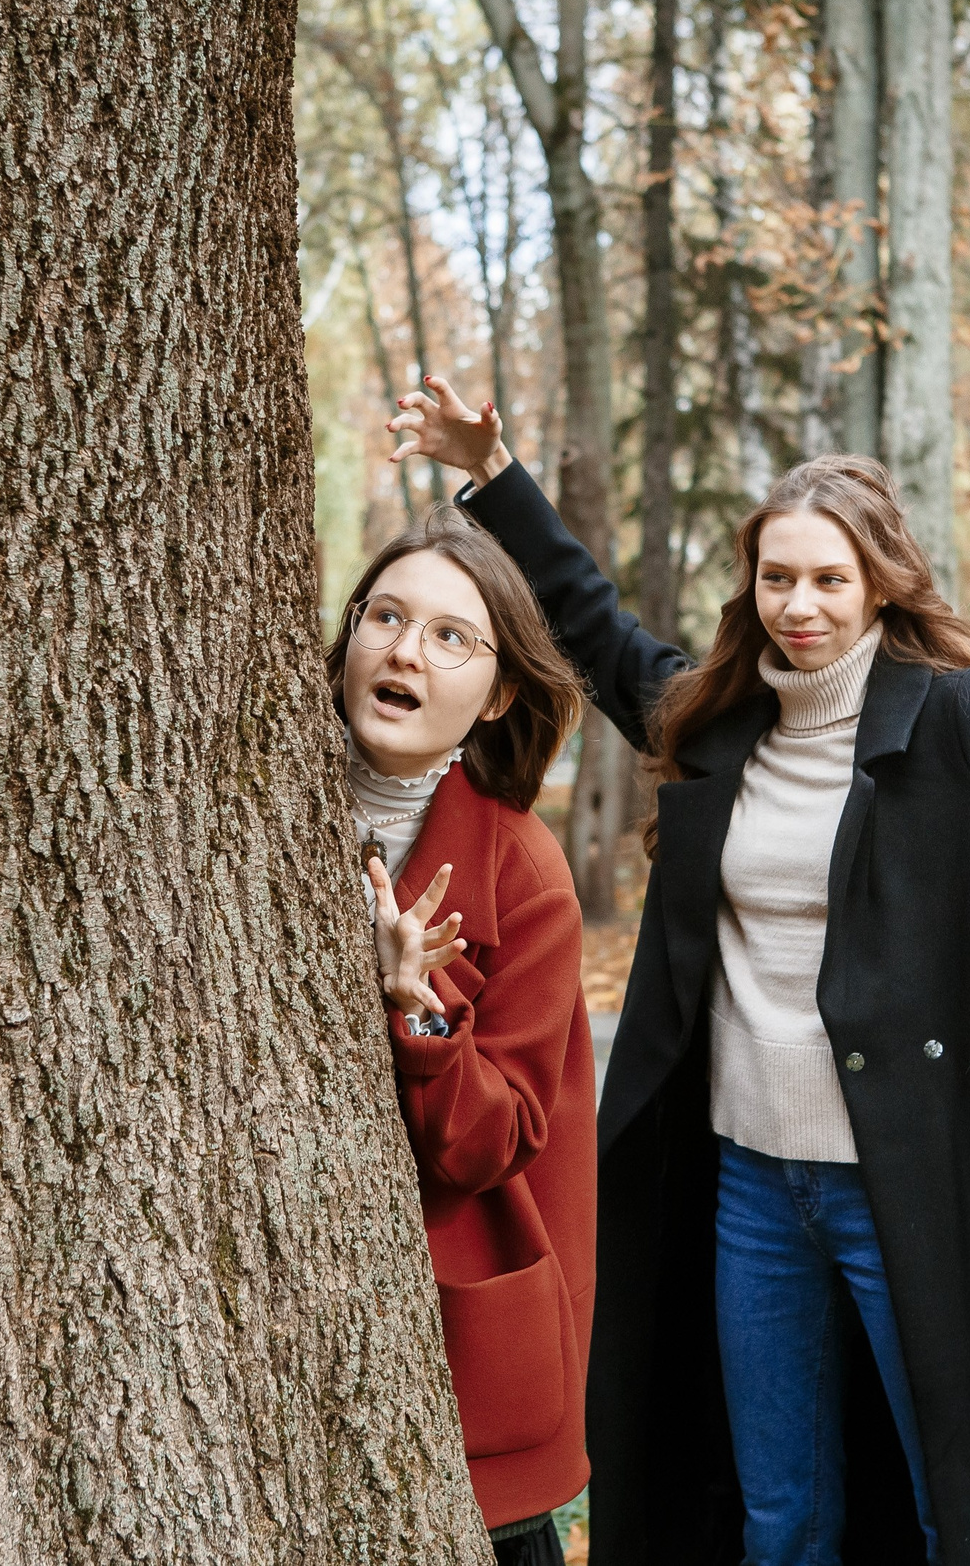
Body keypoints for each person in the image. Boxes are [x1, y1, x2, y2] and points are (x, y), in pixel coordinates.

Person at [383, 377, 970, 1566]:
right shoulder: (713, 722)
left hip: (915, 1192)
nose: (798, 606)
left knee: (963, 1513)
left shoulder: (967, 730)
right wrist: (494, 469)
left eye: (828, 580)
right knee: (780, 1517)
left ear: (880, 582)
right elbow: (587, 616)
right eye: (776, 579)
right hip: (750, 1189)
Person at [334, 510, 600, 1566]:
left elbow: (494, 1141)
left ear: (495, 695)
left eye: (451, 636)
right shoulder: (248, 802)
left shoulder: (523, 873)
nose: (405, 650)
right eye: (385, 617)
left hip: (453, 1325)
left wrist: (418, 1010)